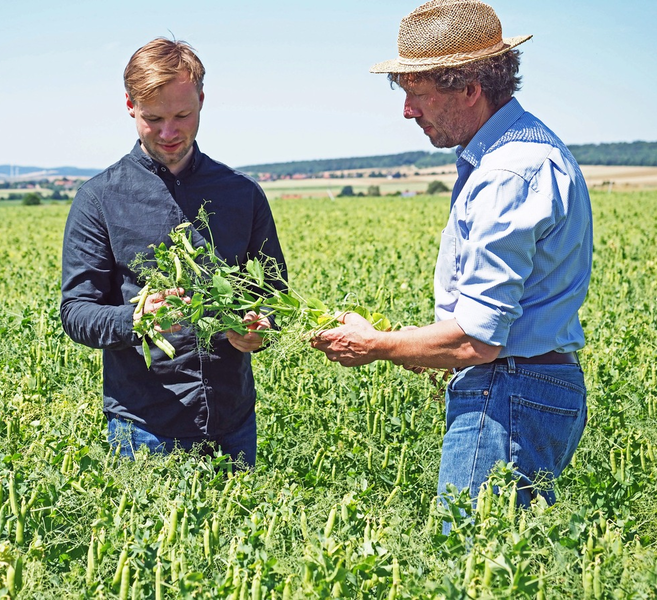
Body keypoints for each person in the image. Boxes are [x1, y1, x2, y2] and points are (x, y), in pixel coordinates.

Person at [311, 0, 592, 509]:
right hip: (530, 387)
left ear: (469, 89)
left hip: (507, 392)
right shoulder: (529, 151)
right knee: (508, 566)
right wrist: (391, 339)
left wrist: (373, 346)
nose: (407, 110)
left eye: (416, 94)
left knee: (473, 561)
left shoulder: (507, 173)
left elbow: (476, 343)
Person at [60, 37, 286, 468]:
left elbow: (273, 292)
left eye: (183, 115)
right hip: (144, 427)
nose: (168, 132)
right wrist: (134, 320)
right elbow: (77, 312)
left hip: (234, 421)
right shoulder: (99, 199)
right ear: (130, 105)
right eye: (153, 118)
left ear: (202, 99)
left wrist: (263, 327)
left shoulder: (242, 194)